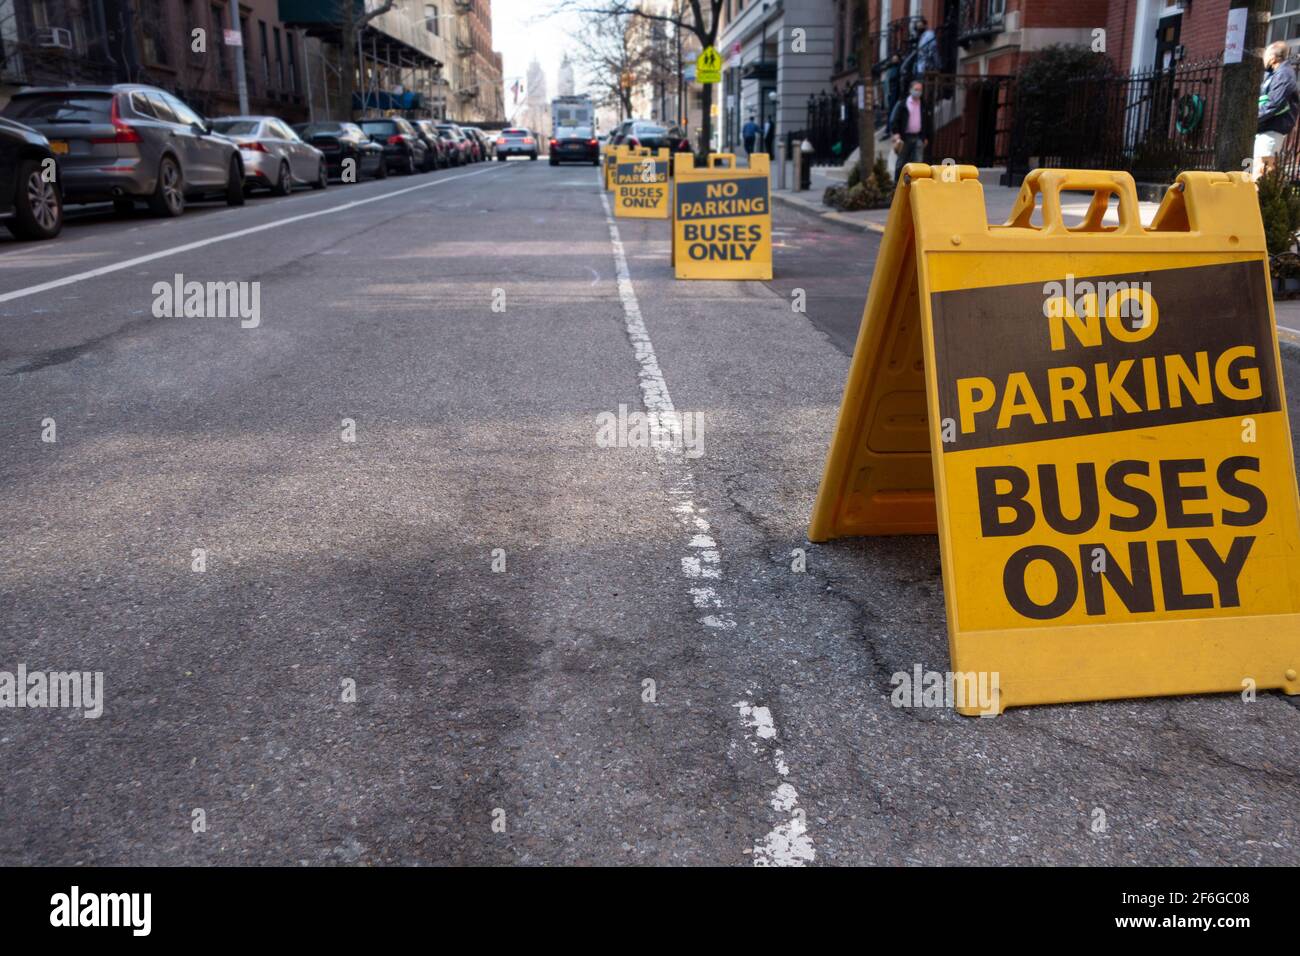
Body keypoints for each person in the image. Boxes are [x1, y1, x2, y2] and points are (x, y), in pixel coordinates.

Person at [1256, 40, 1298, 179]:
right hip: (1265, 127)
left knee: (1262, 170)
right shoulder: (1273, 73)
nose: (1264, 57)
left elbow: (1274, 103)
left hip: (1273, 128)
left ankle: (1261, 198)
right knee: (1257, 167)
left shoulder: (1284, 74)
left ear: (1273, 58)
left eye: (1266, 54)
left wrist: (1254, 119)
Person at [890, 80, 929, 185]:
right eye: (916, 89)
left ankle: (916, 184)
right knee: (901, 162)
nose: (918, 92)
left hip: (918, 137)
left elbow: (927, 122)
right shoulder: (903, 104)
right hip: (905, 137)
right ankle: (897, 184)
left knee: (918, 162)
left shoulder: (923, 104)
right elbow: (894, 120)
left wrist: (925, 136)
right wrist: (896, 133)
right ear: (910, 90)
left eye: (920, 90)